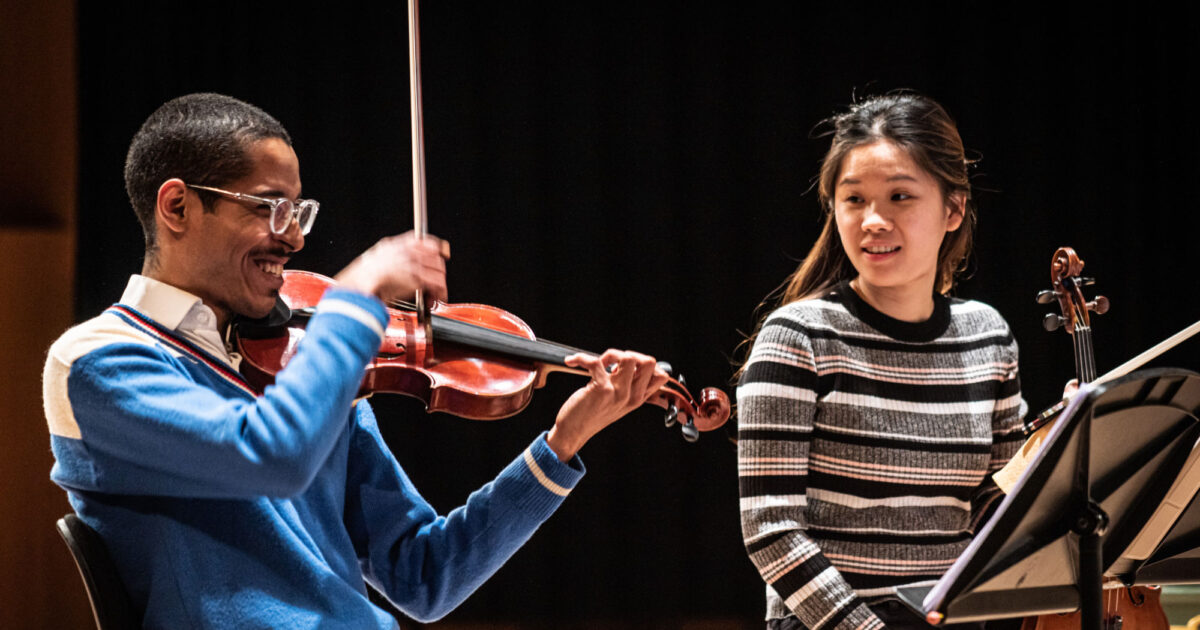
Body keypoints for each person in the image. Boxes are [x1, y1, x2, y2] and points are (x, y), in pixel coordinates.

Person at [43, 92, 668, 629]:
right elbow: (271, 454)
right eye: (270, 207)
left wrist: (563, 441)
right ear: (177, 206)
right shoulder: (98, 361)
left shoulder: (298, 357)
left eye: (299, 211)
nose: (294, 236)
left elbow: (425, 577)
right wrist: (353, 298)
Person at [736, 93, 1027, 630]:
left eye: (899, 196)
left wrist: (1060, 450)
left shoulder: (988, 335)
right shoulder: (797, 336)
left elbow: (999, 503)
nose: (873, 220)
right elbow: (770, 529)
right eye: (854, 199)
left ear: (953, 209)